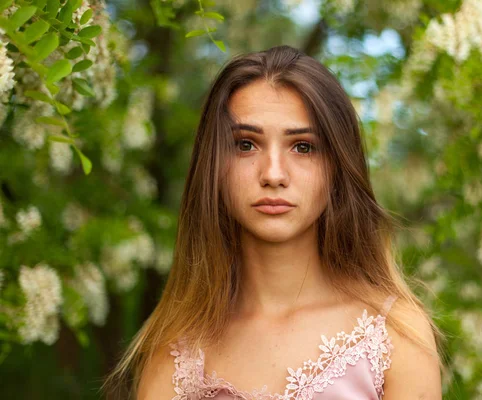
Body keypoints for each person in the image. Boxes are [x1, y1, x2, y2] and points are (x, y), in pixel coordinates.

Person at [102, 45, 446, 400]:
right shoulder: (175, 353)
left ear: (338, 168)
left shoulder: (396, 335)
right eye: (246, 144)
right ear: (214, 166)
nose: (273, 174)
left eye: (303, 147)